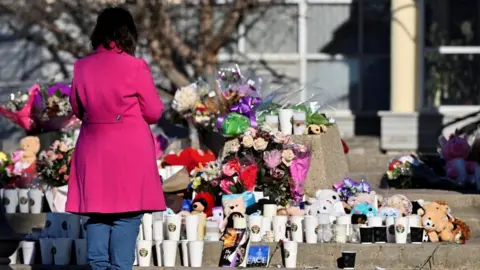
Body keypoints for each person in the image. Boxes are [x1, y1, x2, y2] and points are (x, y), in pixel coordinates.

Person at [66, 7, 166, 270]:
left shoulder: (82, 66)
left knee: (97, 214)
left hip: (93, 146)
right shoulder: (135, 66)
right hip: (129, 149)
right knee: (127, 214)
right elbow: (154, 112)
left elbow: (77, 108)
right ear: (128, 34)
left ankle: (98, 265)